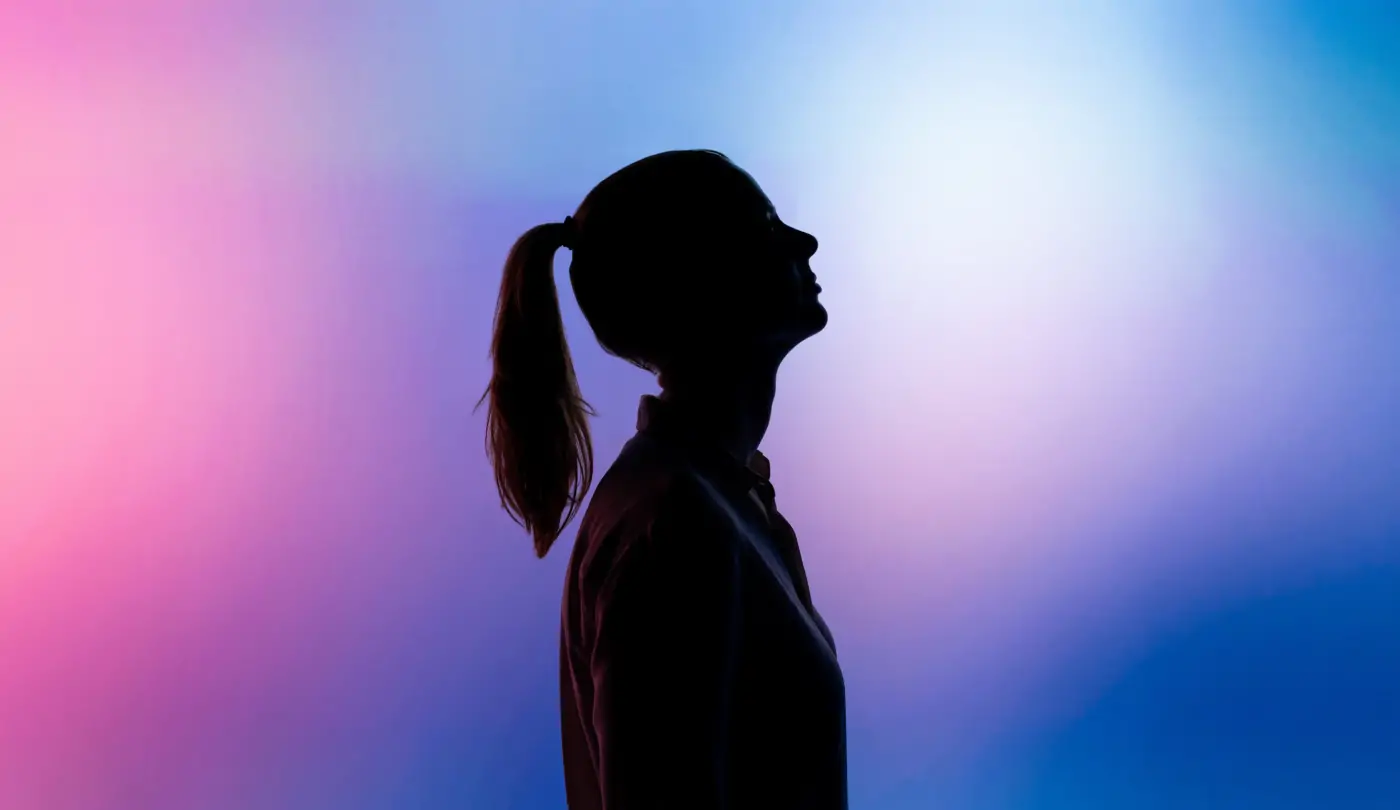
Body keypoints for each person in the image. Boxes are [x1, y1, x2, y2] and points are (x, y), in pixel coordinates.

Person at [480, 149, 845, 809]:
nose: (804, 240)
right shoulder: (674, 525)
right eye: (765, 227)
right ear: (700, 276)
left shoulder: (714, 504)